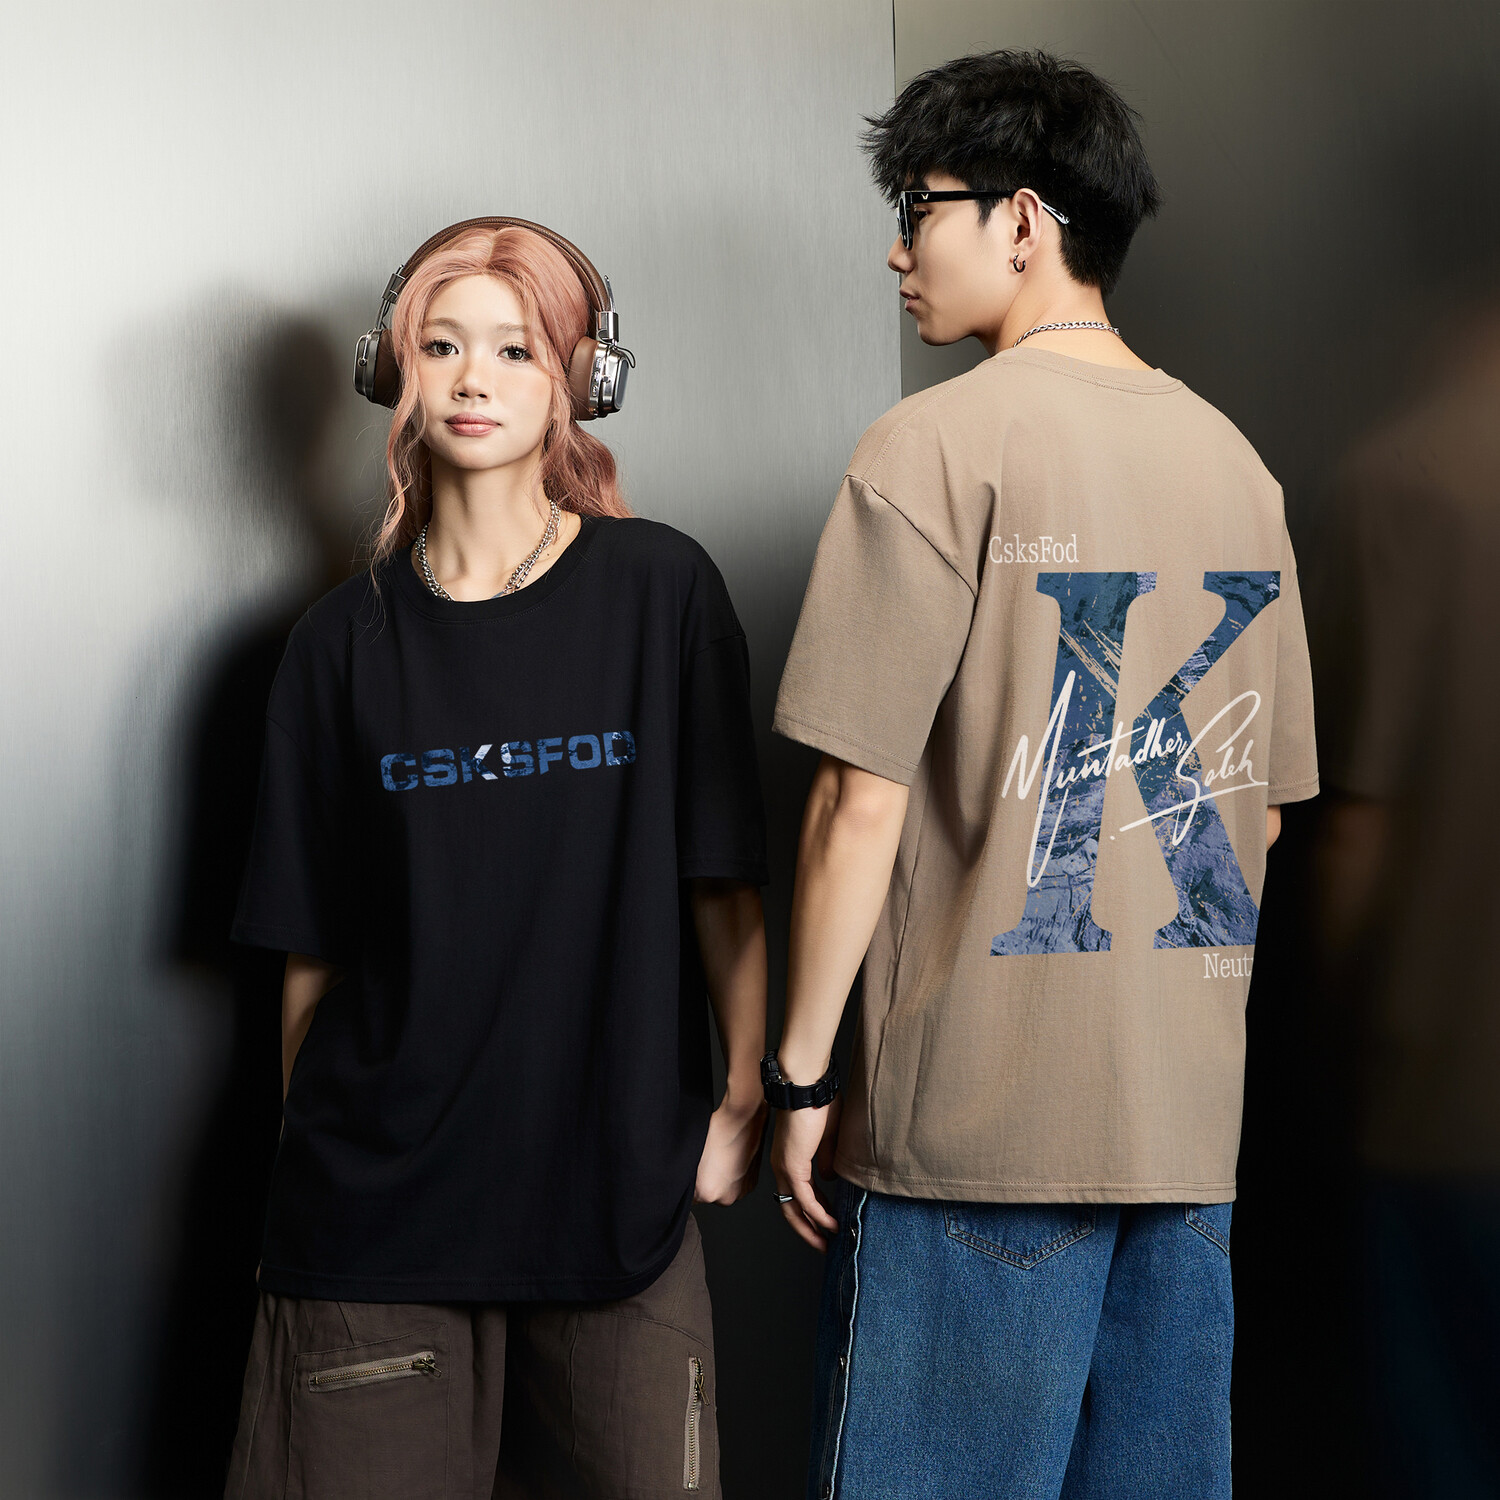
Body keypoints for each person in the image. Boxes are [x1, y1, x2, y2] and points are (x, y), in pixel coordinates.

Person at [765, 51, 1318, 1500]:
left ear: (1022, 221)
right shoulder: (1239, 467)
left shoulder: (931, 447)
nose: (898, 248)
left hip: (972, 1136)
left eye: (918, 205)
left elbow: (856, 802)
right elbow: (1261, 811)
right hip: (1184, 1140)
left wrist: (798, 1075)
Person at [223, 220, 769, 1500]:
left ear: (582, 376)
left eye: (517, 349)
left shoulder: (662, 592)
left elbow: (722, 885)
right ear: (394, 371)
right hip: (374, 1231)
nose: (473, 378)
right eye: (442, 346)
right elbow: (311, 953)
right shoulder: (334, 647)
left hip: (617, 1206)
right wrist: (319, 1148)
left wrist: (742, 1094)